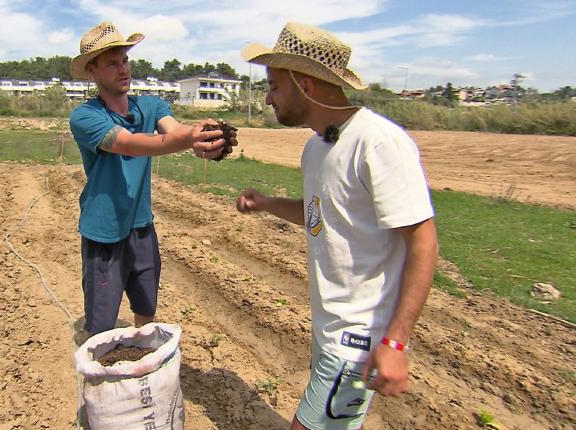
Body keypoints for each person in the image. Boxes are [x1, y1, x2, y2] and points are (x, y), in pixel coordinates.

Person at [237, 23, 439, 430]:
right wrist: (268, 204)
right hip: (330, 327)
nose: (269, 98)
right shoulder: (318, 146)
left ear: (306, 84)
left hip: (357, 336)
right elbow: (324, 216)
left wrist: (395, 342)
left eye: (275, 85)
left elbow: (423, 242)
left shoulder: (378, 142)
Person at [69, 21, 235, 338]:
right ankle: (101, 374)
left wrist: (205, 143)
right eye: (112, 63)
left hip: (142, 227)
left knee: (146, 310)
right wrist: (190, 138)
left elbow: (173, 132)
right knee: (101, 325)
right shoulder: (85, 116)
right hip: (104, 231)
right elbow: (129, 143)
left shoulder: (150, 105)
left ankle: (142, 362)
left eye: (125, 61)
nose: (123, 69)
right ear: (93, 71)